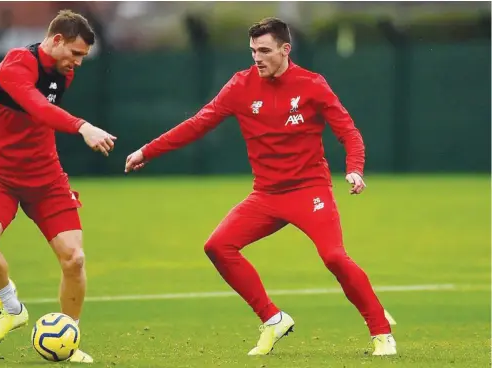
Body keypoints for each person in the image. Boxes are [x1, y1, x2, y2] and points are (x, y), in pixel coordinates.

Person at [124, 18, 396, 357]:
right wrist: (146, 151)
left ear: (285, 50)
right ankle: (273, 319)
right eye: (253, 51)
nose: (257, 57)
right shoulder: (240, 86)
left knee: (334, 257)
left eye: (265, 50)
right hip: (266, 195)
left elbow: (348, 132)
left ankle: (382, 333)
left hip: (310, 191)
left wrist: (354, 170)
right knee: (218, 246)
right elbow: (198, 124)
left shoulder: (312, 85)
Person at [0, 10, 116, 363]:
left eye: (84, 57)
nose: (78, 63)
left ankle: (69, 337)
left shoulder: (63, 72)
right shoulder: (16, 65)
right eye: (75, 53)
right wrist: (83, 126)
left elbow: (29, 116)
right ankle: (12, 308)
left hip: (45, 177)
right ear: (56, 39)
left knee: (74, 259)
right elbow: (36, 107)